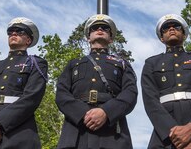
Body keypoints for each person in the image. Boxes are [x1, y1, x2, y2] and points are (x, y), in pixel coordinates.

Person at [141, 14, 191, 149]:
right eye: (166, 28)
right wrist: (177, 135)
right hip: (166, 131)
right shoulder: (151, 63)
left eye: (176, 26)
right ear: (161, 38)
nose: (171, 29)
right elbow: (150, 101)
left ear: (184, 34)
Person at [56, 14, 138, 149]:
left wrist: (106, 112)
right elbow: (61, 94)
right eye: (94, 28)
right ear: (88, 37)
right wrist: (82, 114)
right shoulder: (74, 63)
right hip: (76, 130)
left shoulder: (122, 64)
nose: (100, 29)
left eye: (105, 28)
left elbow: (130, 93)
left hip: (111, 133)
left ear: (111, 39)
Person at [0, 17, 48, 148]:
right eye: (11, 32)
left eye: (20, 31)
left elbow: (31, 98)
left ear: (28, 40)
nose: (14, 34)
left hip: (16, 133)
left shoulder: (36, 63)